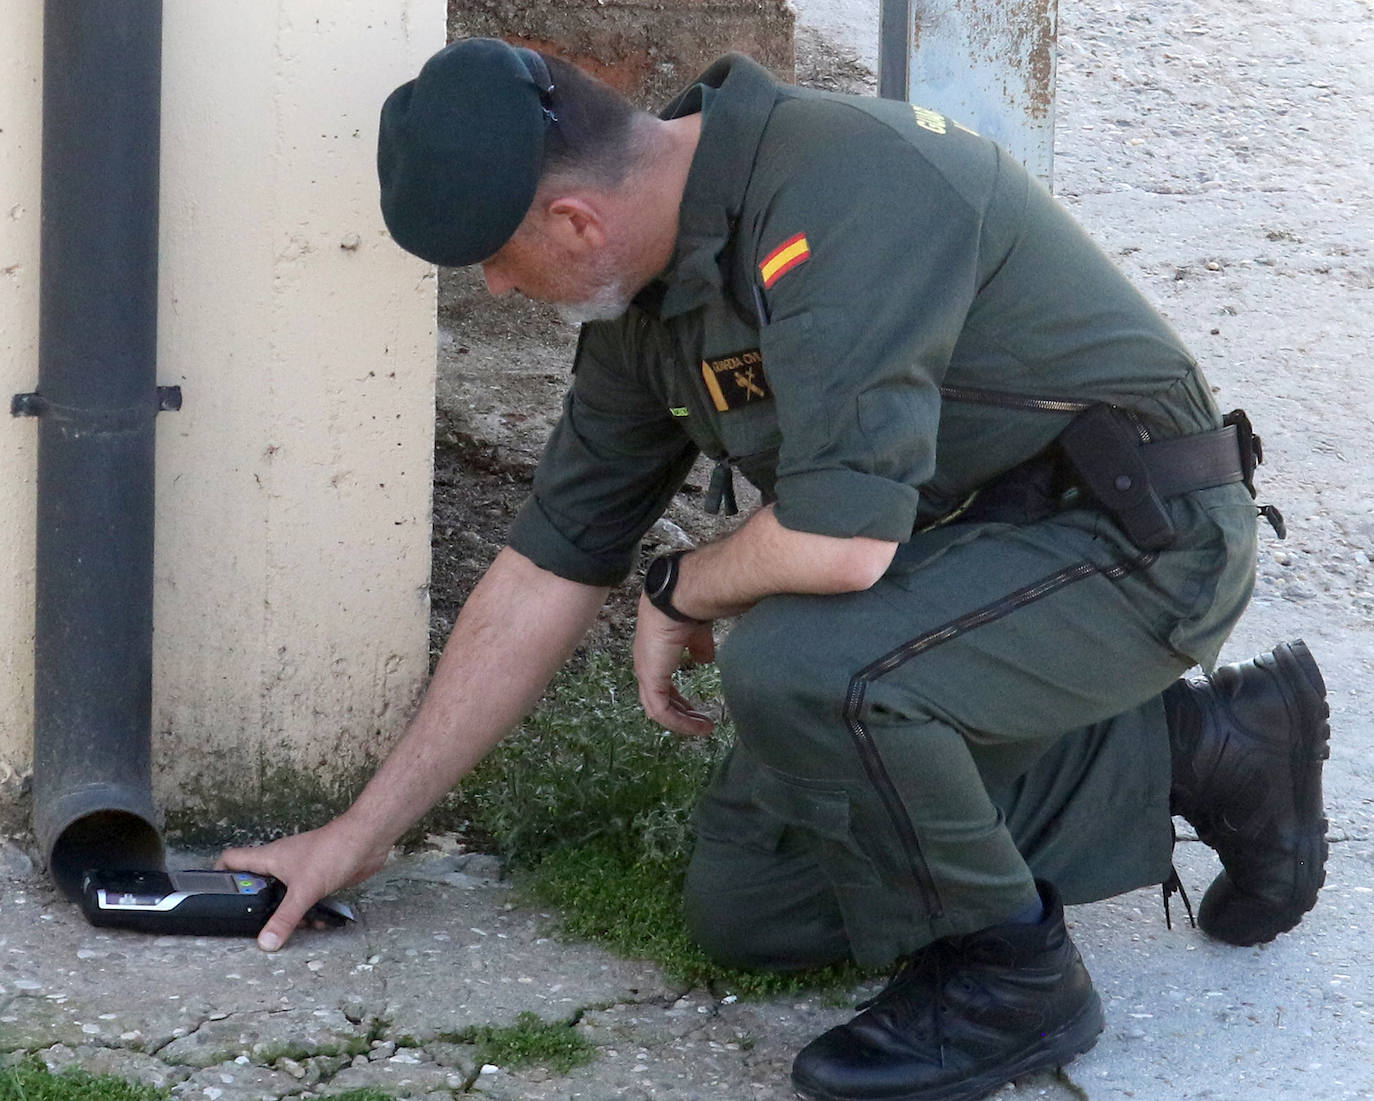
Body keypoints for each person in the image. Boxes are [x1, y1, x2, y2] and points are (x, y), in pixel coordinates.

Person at [220, 38, 1331, 1101]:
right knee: (756, 908)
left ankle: (1011, 975)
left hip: (1136, 545)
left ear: (571, 219)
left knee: (808, 665)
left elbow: (838, 546)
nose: (502, 295)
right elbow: (544, 569)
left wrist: (683, 588)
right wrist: (361, 836)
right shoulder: (648, 299)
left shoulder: (845, 190)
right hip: (971, 570)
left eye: (497, 265)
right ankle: (1206, 752)